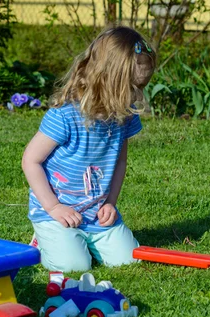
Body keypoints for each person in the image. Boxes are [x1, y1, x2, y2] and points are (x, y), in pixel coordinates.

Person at [21, 26, 156, 272]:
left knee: (129, 260)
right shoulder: (65, 115)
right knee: (74, 266)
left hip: (96, 214)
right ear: (106, 80)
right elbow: (31, 160)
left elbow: (120, 163)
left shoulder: (124, 116)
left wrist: (111, 204)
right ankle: (43, 241)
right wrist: (53, 207)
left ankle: (82, 241)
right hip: (57, 213)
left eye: (141, 87)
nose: (137, 96)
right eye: (132, 88)